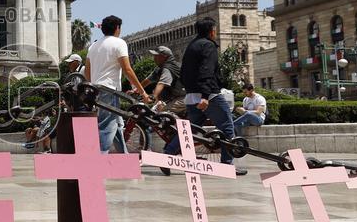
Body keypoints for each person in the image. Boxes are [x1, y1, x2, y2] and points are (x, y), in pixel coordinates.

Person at [165, 17, 247, 176]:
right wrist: (204, 96)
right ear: (211, 31)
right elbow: (206, 71)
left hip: (191, 96)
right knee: (227, 127)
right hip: (209, 96)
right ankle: (227, 165)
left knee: (189, 130)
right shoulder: (209, 46)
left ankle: (168, 153)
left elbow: (184, 73)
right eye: (215, 29)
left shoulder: (191, 46)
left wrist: (192, 91)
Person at [85, 15, 150, 153]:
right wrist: (142, 91)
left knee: (117, 125)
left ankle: (124, 157)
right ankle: (98, 161)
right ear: (117, 28)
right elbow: (127, 69)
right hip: (109, 90)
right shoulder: (119, 43)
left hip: (96, 90)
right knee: (107, 126)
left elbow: (87, 72)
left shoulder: (93, 46)